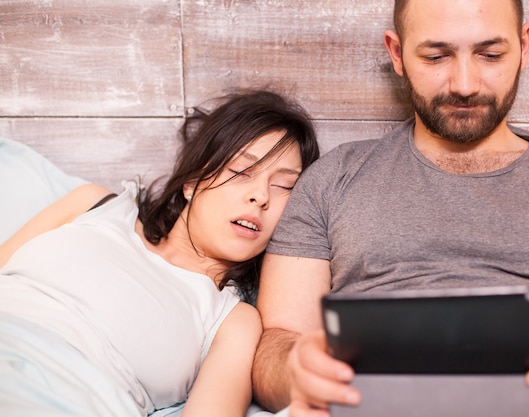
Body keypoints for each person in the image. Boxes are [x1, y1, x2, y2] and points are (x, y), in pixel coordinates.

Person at [251, 1, 529, 417]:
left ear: (525, 45)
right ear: (397, 54)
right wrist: (298, 371)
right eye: (436, 56)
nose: (464, 84)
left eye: (490, 55)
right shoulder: (332, 179)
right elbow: (275, 348)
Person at [0, 90, 320, 417]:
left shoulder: (233, 321)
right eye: (241, 171)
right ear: (193, 181)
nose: (260, 196)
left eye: (284, 186)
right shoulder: (93, 206)